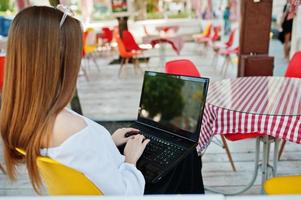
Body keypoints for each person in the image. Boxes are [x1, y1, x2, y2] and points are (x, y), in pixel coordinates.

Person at [0, 6, 204, 195]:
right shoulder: (74, 130)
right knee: (187, 156)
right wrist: (131, 161)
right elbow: (125, 193)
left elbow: (80, 157)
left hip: (98, 180)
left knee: (175, 151)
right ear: (59, 58)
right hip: (131, 187)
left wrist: (109, 142)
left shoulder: (24, 116)